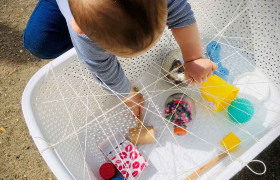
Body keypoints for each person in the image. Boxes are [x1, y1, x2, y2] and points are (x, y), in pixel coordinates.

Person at [23, 0, 217, 116]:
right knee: (39, 44)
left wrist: (193, 58)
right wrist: (126, 94)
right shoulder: (85, 36)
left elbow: (181, 14)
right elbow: (103, 69)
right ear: (80, 28)